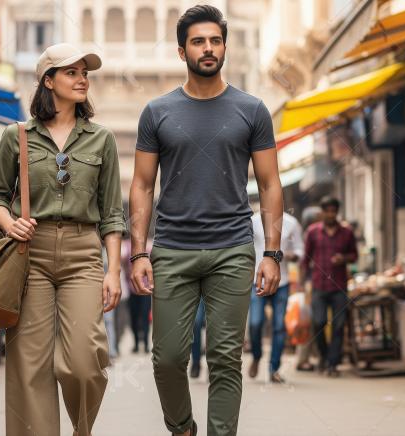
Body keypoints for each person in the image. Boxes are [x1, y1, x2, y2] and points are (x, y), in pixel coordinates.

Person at [129, 6, 283, 436]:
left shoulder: (251, 109)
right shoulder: (156, 112)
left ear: (225, 47)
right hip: (172, 249)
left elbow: (270, 185)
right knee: (169, 359)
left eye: (215, 41)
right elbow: (141, 186)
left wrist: (271, 252)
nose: (208, 48)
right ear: (182, 51)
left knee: (225, 358)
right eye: (198, 41)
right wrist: (139, 251)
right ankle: (182, 428)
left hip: (232, 248)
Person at [0, 43, 125, 436]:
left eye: (85, 73)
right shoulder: (17, 137)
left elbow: (113, 213)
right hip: (30, 254)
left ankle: (81, 429)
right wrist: (8, 222)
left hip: (83, 255)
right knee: (30, 366)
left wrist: (114, 271)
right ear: (49, 81)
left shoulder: (102, 139)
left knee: (83, 362)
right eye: (72, 73)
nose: (82, 80)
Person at [301, 196, 358, 378]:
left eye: (334, 211)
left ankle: (333, 364)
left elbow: (354, 255)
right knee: (318, 322)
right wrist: (304, 283)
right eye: (328, 211)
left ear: (337, 212)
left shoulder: (347, 233)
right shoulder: (312, 232)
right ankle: (324, 357)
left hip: (339, 286)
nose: (331, 214)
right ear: (322, 212)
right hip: (319, 285)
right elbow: (305, 259)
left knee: (339, 326)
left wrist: (344, 258)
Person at [248, 209, 303, 383]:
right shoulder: (252, 221)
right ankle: (256, 356)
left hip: (282, 281)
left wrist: (286, 255)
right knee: (256, 323)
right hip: (258, 280)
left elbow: (300, 250)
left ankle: (274, 368)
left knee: (279, 326)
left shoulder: (291, 223)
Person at [295, 205, 321, 372]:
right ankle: (303, 358)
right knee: (308, 322)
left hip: (316, 284)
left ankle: (316, 356)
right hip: (311, 285)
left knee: (316, 322)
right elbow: (303, 265)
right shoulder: (309, 236)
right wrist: (303, 286)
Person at [189, 299, 206, 378]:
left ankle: (213, 363)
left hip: (216, 291)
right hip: (197, 294)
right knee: (195, 322)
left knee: (213, 324)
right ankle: (196, 362)